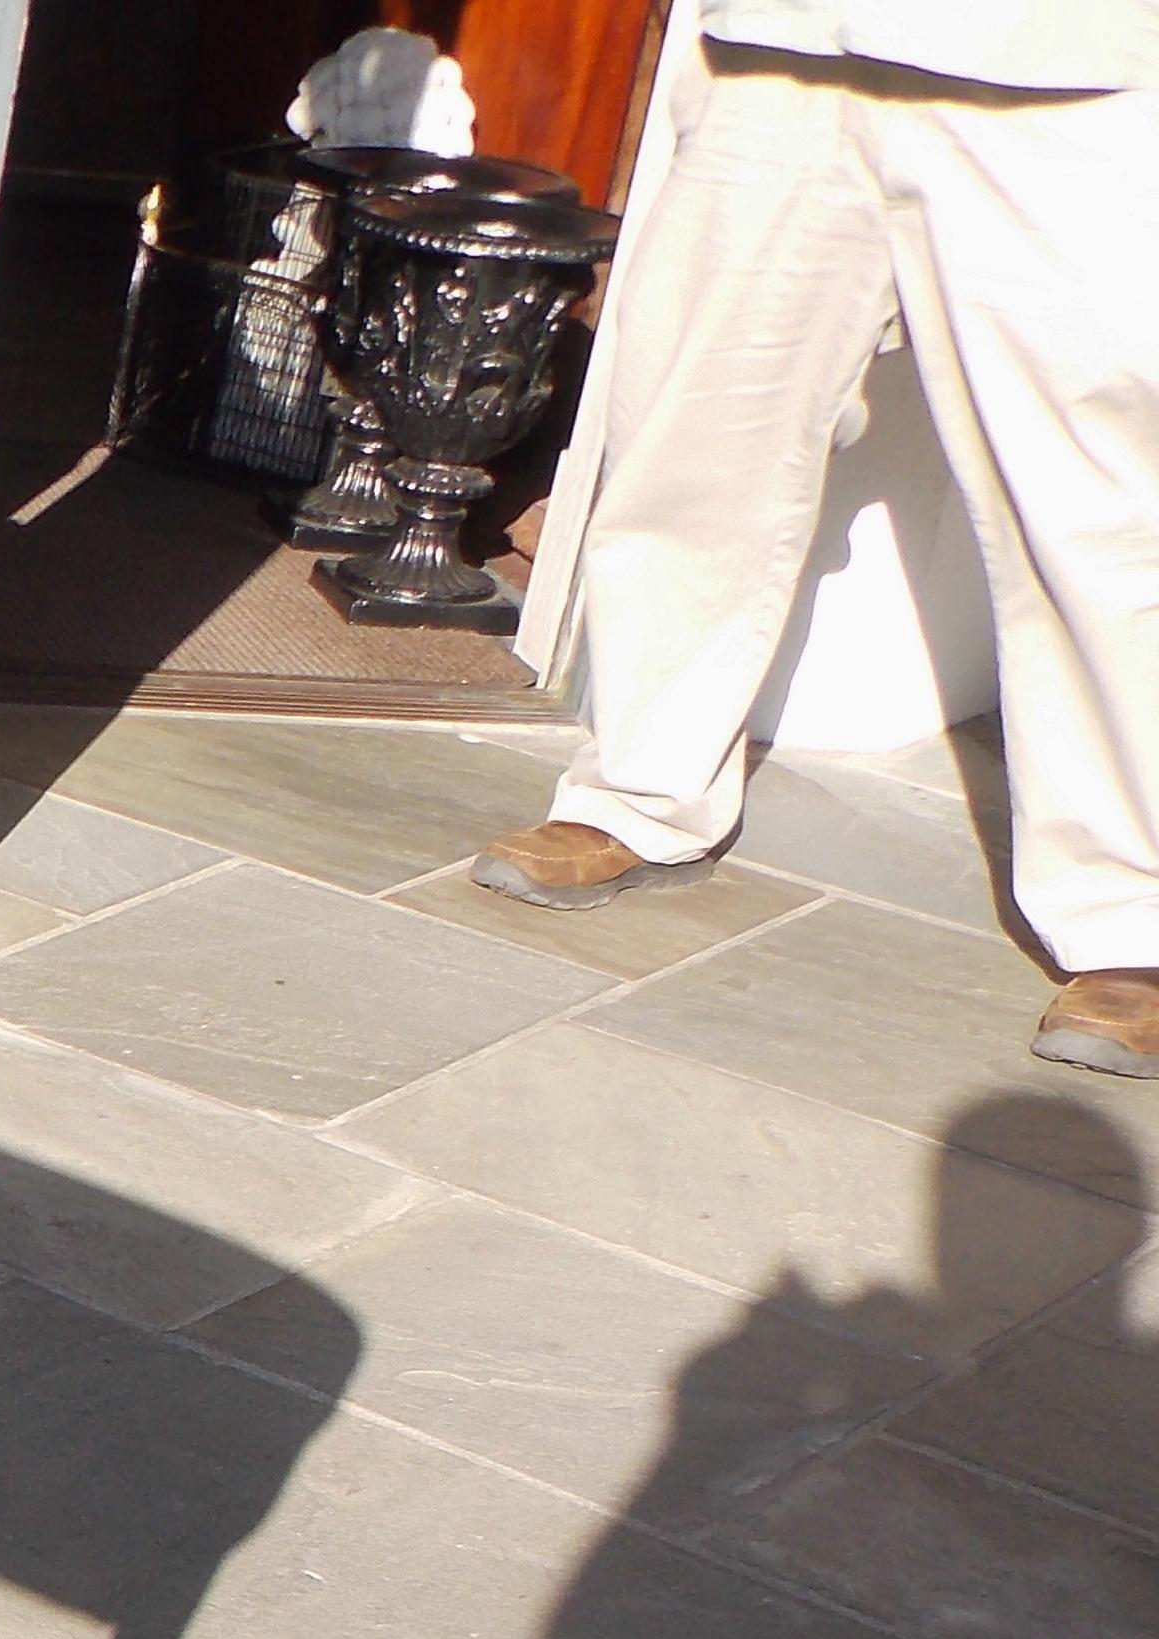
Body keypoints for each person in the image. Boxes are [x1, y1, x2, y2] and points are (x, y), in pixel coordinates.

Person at [468, 6, 1159, 1078]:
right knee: (690, 440)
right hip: (782, 39)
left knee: (1093, 507)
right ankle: (639, 793)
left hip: (1066, 62)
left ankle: (1134, 919)